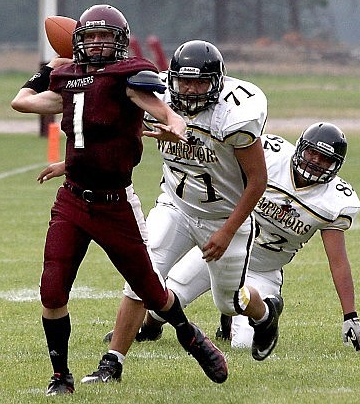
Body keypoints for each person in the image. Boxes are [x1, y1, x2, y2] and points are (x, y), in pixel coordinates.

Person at [11, 5, 228, 396]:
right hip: (73, 200)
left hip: (115, 204)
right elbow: (22, 102)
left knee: (150, 290)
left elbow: (162, 111)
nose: (96, 44)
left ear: (120, 42)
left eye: (104, 37)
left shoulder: (129, 77)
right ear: (77, 41)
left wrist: (175, 126)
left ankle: (188, 333)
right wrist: (47, 68)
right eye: (89, 36)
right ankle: (61, 376)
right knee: (52, 289)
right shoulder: (69, 78)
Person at [41, 40, 282, 385]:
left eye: (201, 82)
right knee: (141, 277)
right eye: (185, 81)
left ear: (217, 82)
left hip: (223, 214)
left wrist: (228, 230)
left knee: (230, 303)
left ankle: (264, 313)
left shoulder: (235, 115)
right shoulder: (155, 94)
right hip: (176, 205)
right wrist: (71, 164)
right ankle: (113, 363)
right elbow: (114, 137)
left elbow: (257, 181)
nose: (192, 89)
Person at [134, 122, 360, 352]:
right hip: (225, 249)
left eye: (324, 159)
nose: (315, 161)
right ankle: (150, 329)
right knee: (163, 302)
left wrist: (350, 315)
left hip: (262, 270)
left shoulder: (335, 201)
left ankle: (258, 310)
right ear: (300, 148)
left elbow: (338, 261)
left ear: (336, 166)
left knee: (243, 345)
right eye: (312, 153)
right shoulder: (270, 155)